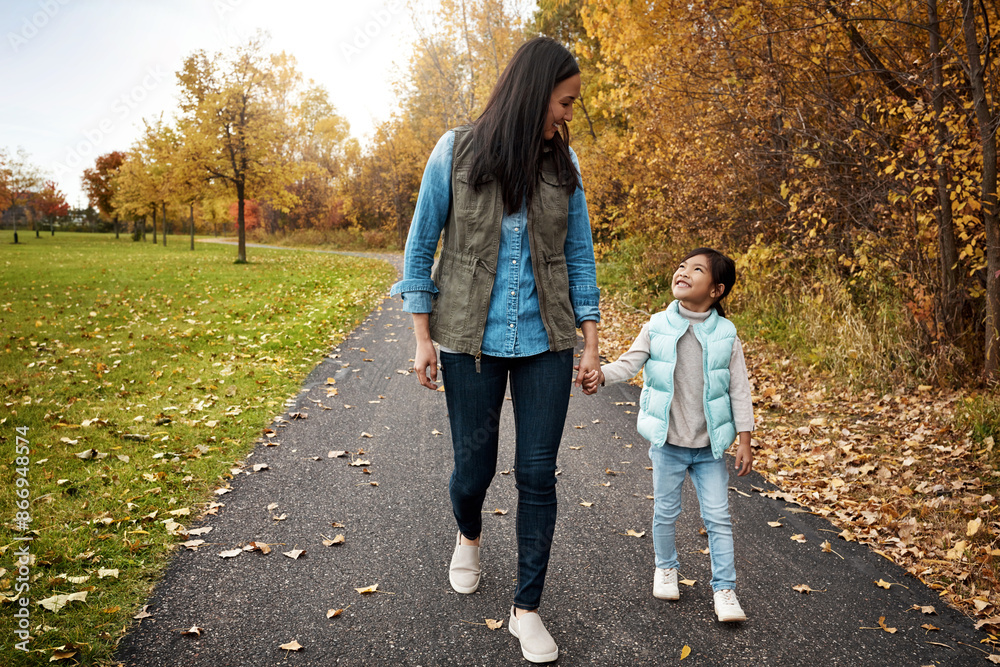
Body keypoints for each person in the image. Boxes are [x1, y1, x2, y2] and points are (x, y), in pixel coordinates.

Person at [389, 36, 601, 663]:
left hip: (546, 343)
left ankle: (526, 609)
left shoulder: (564, 164)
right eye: (565, 101)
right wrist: (422, 338)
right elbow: (420, 246)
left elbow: (580, 256)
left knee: (537, 474)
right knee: (472, 471)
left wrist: (591, 343)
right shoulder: (456, 151)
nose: (568, 113)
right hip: (467, 341)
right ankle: (469, 533)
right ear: (535, 93)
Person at [582, 248, 754, 622]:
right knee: (665, 512)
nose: (684, 272)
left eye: (697, 269)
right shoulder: (657, 324)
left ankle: (725, 589)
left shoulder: (726, 334)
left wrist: (744, 438)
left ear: (716, 290)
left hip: (709, 448)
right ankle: (665, 567)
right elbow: (631, 362)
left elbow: (739, 388)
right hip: (669, 444)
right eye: (681, 266)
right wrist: (602, 375)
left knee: (719, 518)